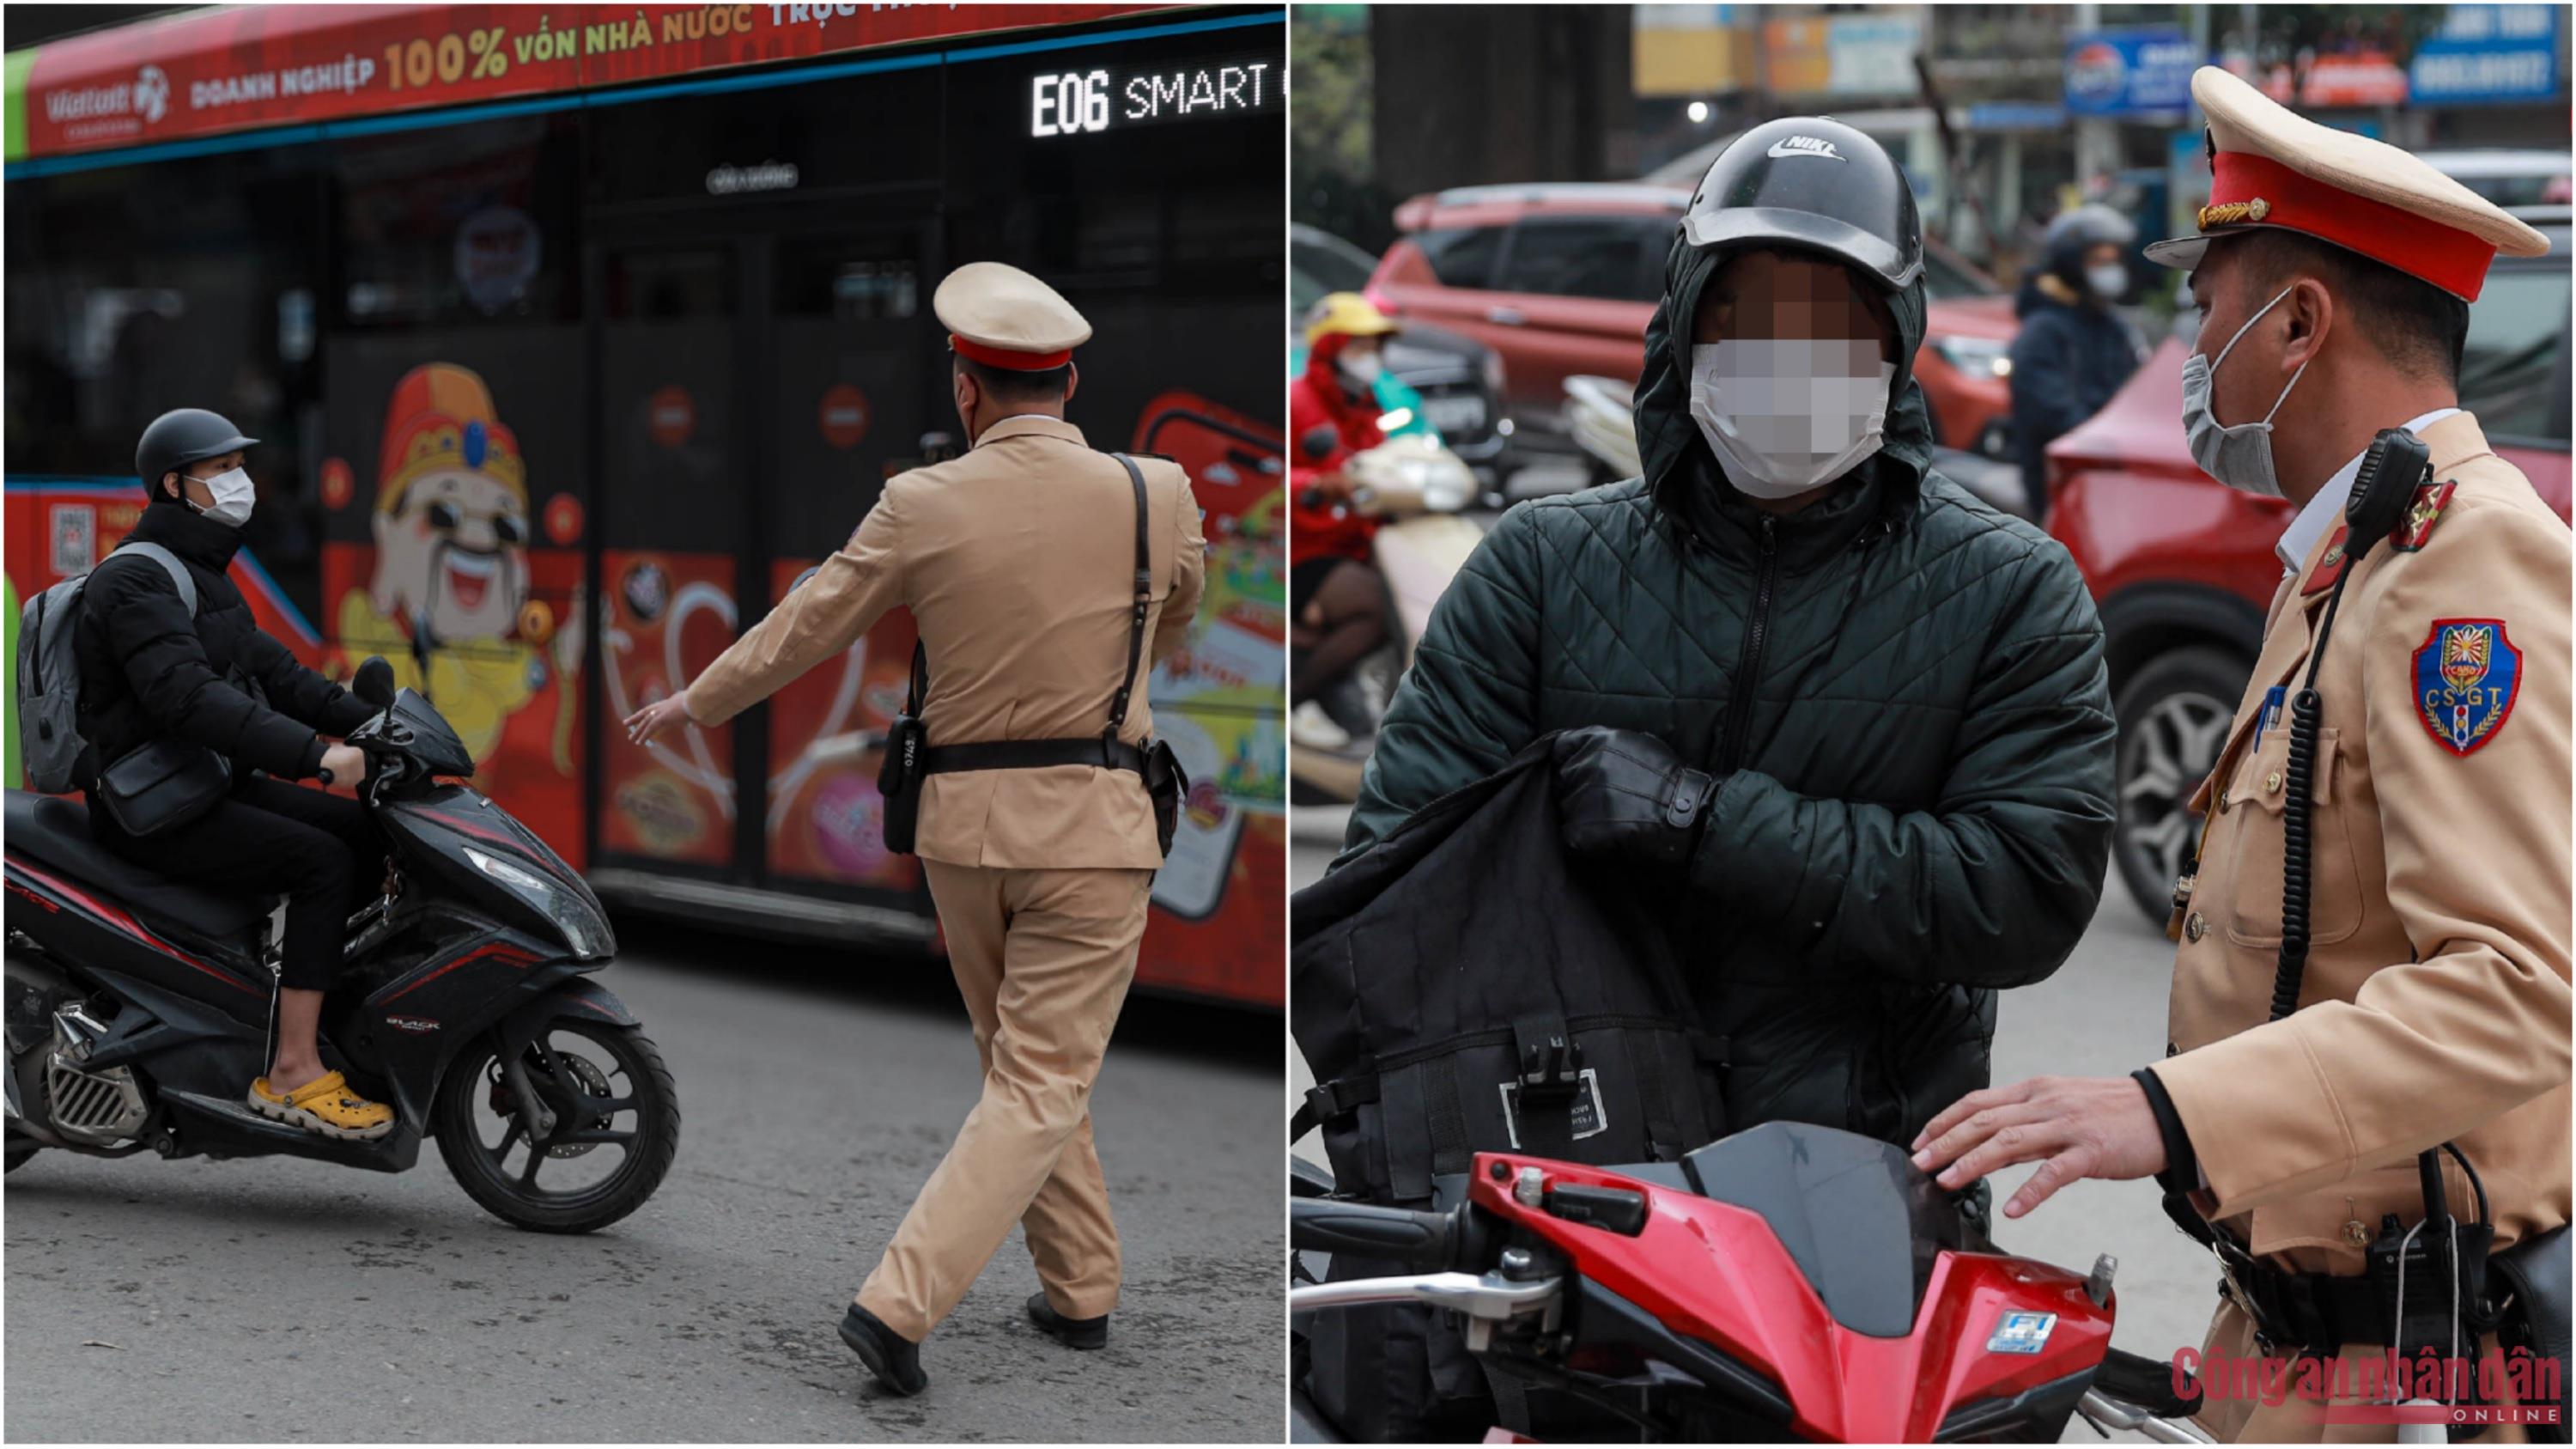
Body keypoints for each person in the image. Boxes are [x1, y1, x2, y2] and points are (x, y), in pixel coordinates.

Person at [1912, 66, 2567, 1442]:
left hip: (2416, 1377)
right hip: (2302, 1343)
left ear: (2301, 322)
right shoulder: (2350, 557)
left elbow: (2517, 987)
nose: (2193, 352)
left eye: (2208, 309)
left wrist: (2165, 1107)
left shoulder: (2469, 565)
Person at [1344, 115, 2117, 1172]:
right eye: (1751, 315)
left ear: (1895, 342)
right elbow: (1394, 880)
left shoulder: (2011, 589)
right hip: (1566, 1175)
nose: (1789, 357)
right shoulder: (1537, 565)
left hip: (1855, 1187)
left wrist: (1708, 822)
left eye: (1833, 321)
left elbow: (2024, 895)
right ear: (1686, 327)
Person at [625, 261, 1206, 1397]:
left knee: (1019, 1066)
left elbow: (809, 622)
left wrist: (694, 700)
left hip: (958, 832)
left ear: (965, 388)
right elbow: (1173, 616)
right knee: (1041, 1075)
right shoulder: (1158, 490)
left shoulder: (921, 500)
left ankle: (1080, 1285)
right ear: (1070, 380)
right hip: (1094, 821)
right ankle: (897, 1305)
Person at [75, 408, 389, 1138]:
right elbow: (189, 699)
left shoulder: (203, 575)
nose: (240, 481)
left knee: (369, 830)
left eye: (238, 467)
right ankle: (293, 1071)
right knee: (322, 862)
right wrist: (316, 756)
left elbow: (275, 673)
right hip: (151, 804)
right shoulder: (134, 582)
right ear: (175, 485)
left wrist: (377, 725)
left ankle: (318, 1007)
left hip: (200, 780)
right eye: (221, 470)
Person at [1286, 292, 1400, 752]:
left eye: (1374, 346)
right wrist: (1318, 483)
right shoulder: (1298, 401)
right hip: (1303, 551)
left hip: (1353, 548)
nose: (1369, 356)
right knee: (1379, 607)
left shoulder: (1370, 405)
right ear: (1331, 347)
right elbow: (1280, 477)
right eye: (1358, 345)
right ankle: (1299, 694)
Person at [2008, 203, 2145, 519]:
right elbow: (2054, 414)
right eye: (2099, 261)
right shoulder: (2043, 332)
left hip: (2114, 477)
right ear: (2072, 266)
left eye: (2113, 260)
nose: (2110, 270)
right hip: (2061, 487)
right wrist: (2107, 445)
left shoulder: (2113, 328)